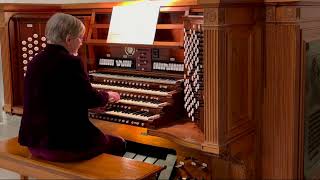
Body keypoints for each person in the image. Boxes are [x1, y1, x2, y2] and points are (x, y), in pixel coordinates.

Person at [18, 13, 126, 162]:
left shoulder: (35, 61)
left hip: (34, 142)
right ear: (69, 39)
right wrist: (107, 96)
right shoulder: (70, 62)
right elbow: (89, 98)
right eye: (80, 38)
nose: (81, 43)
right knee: (118, 143)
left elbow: (60, 97)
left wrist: (86, 104)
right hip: (61, 146)